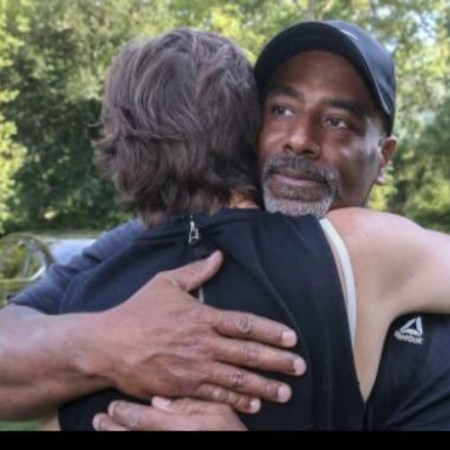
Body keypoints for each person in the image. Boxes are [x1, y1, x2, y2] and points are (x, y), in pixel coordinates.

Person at [1, 20, 448, 432]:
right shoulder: (136, 248)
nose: (299, 139)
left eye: (337, 122)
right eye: (281, 109)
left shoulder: (421, 320)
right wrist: (109, 345)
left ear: (383, 157)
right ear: (247, 126)